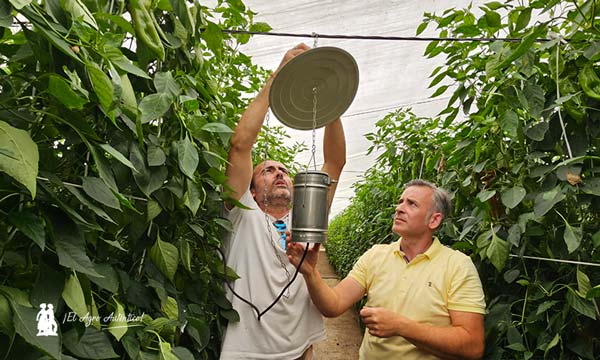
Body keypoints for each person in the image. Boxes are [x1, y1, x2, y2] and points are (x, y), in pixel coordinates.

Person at [220, 43, 347, 360]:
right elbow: (239, 146)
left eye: (284, 170)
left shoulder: (305, 217)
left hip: (300, 349)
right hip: (246, 352)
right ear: (250, 186)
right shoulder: (241, 213)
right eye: (267, 170)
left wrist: (332, 100)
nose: (278, 173)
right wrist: (278, 76)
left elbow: (334, 162)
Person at [286, 179, 486, 360]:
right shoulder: (376, 255)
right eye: (401, 201)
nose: (399, 208)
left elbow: (472, 345)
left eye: (412, 204)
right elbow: (334, 304)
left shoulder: (458, 266)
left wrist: (401, 326)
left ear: (434, 220)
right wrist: (310, 273)